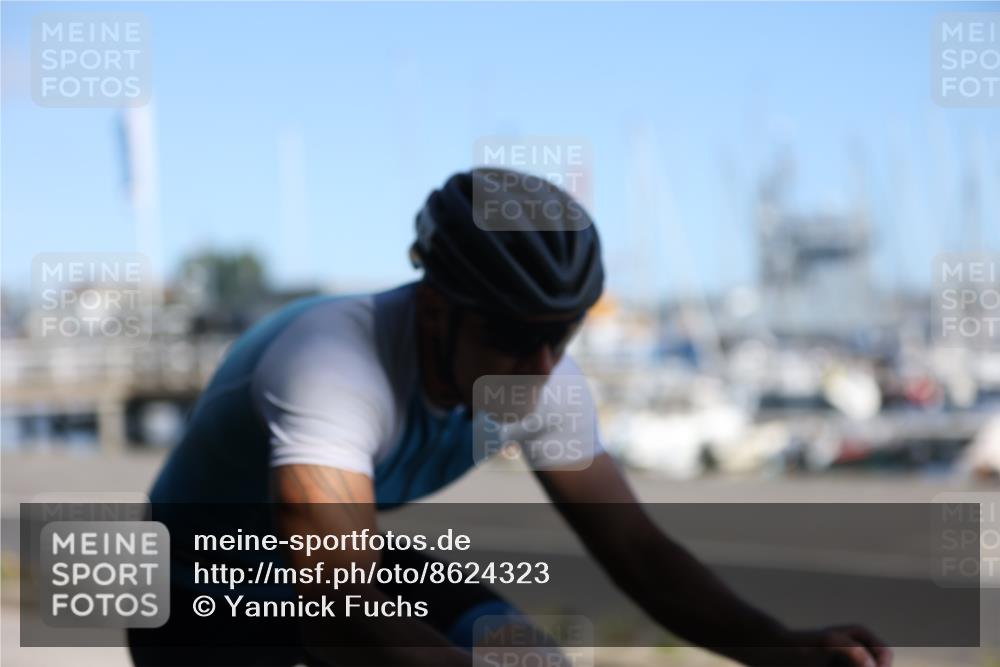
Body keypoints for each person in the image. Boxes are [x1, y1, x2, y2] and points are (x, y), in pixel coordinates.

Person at [128, 168, 892, 667]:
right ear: (435, 310)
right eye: (514, 337)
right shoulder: (332, 364)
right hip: (199, 576)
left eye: (561, 336)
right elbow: (342, 616)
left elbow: (637, 551)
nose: (540, 367)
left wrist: (776, 644)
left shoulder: (540, 379)